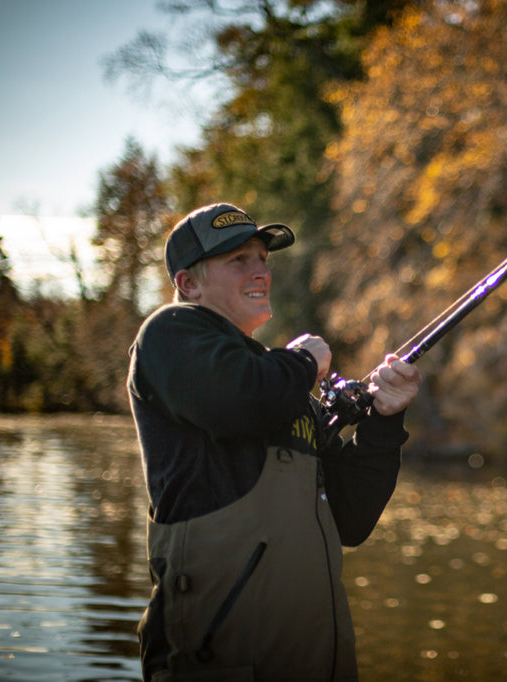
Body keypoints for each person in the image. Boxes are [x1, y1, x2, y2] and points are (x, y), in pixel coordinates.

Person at [127, 202, 421, 681]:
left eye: (262, 258)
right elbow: (236, 399)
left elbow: (353, 517)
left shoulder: (279, 386)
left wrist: (384, 422)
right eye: (238, 260)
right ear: (189, 284)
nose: (261, 270)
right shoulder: (168, 335)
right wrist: (303, 363)